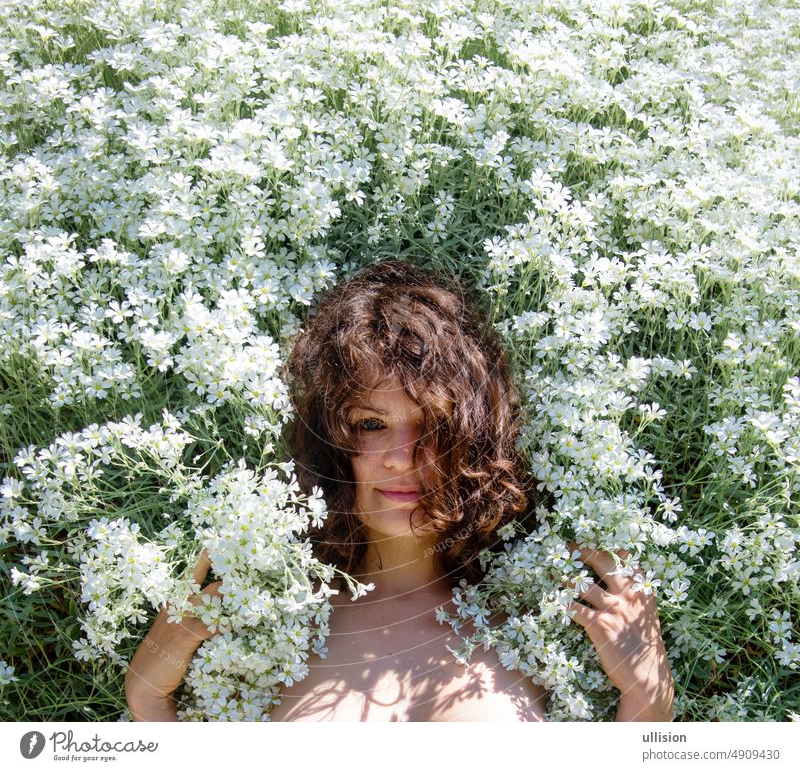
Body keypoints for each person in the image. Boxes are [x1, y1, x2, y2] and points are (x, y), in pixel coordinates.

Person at [125, 258, 674, 722]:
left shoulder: (548, 621)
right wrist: (148, 694)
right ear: (330, 445)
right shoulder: (266, 628)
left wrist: (647, 698)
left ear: (475, 440)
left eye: (433, 424)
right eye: (370, 424)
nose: (402, 456)